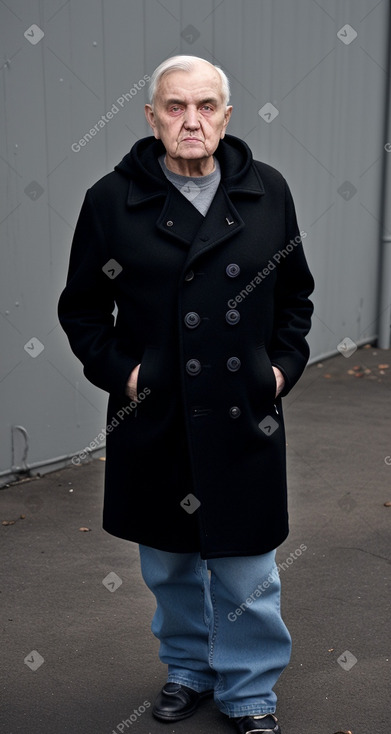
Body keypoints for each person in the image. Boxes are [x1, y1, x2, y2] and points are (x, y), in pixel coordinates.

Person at [58, 54, 314, 734]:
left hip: (242, 419)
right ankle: (189, 670)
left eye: (205, 106)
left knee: (247, 572)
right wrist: (129, 376)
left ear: (227, 116)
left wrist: (279, 370)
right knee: (169, 567)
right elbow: (82, 312)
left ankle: (250, 690)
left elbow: (295, 298)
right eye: (175, 107)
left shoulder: (268, 190)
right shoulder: (110, 201)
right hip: (156, 419)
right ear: (151, 117)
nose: (190, 120)